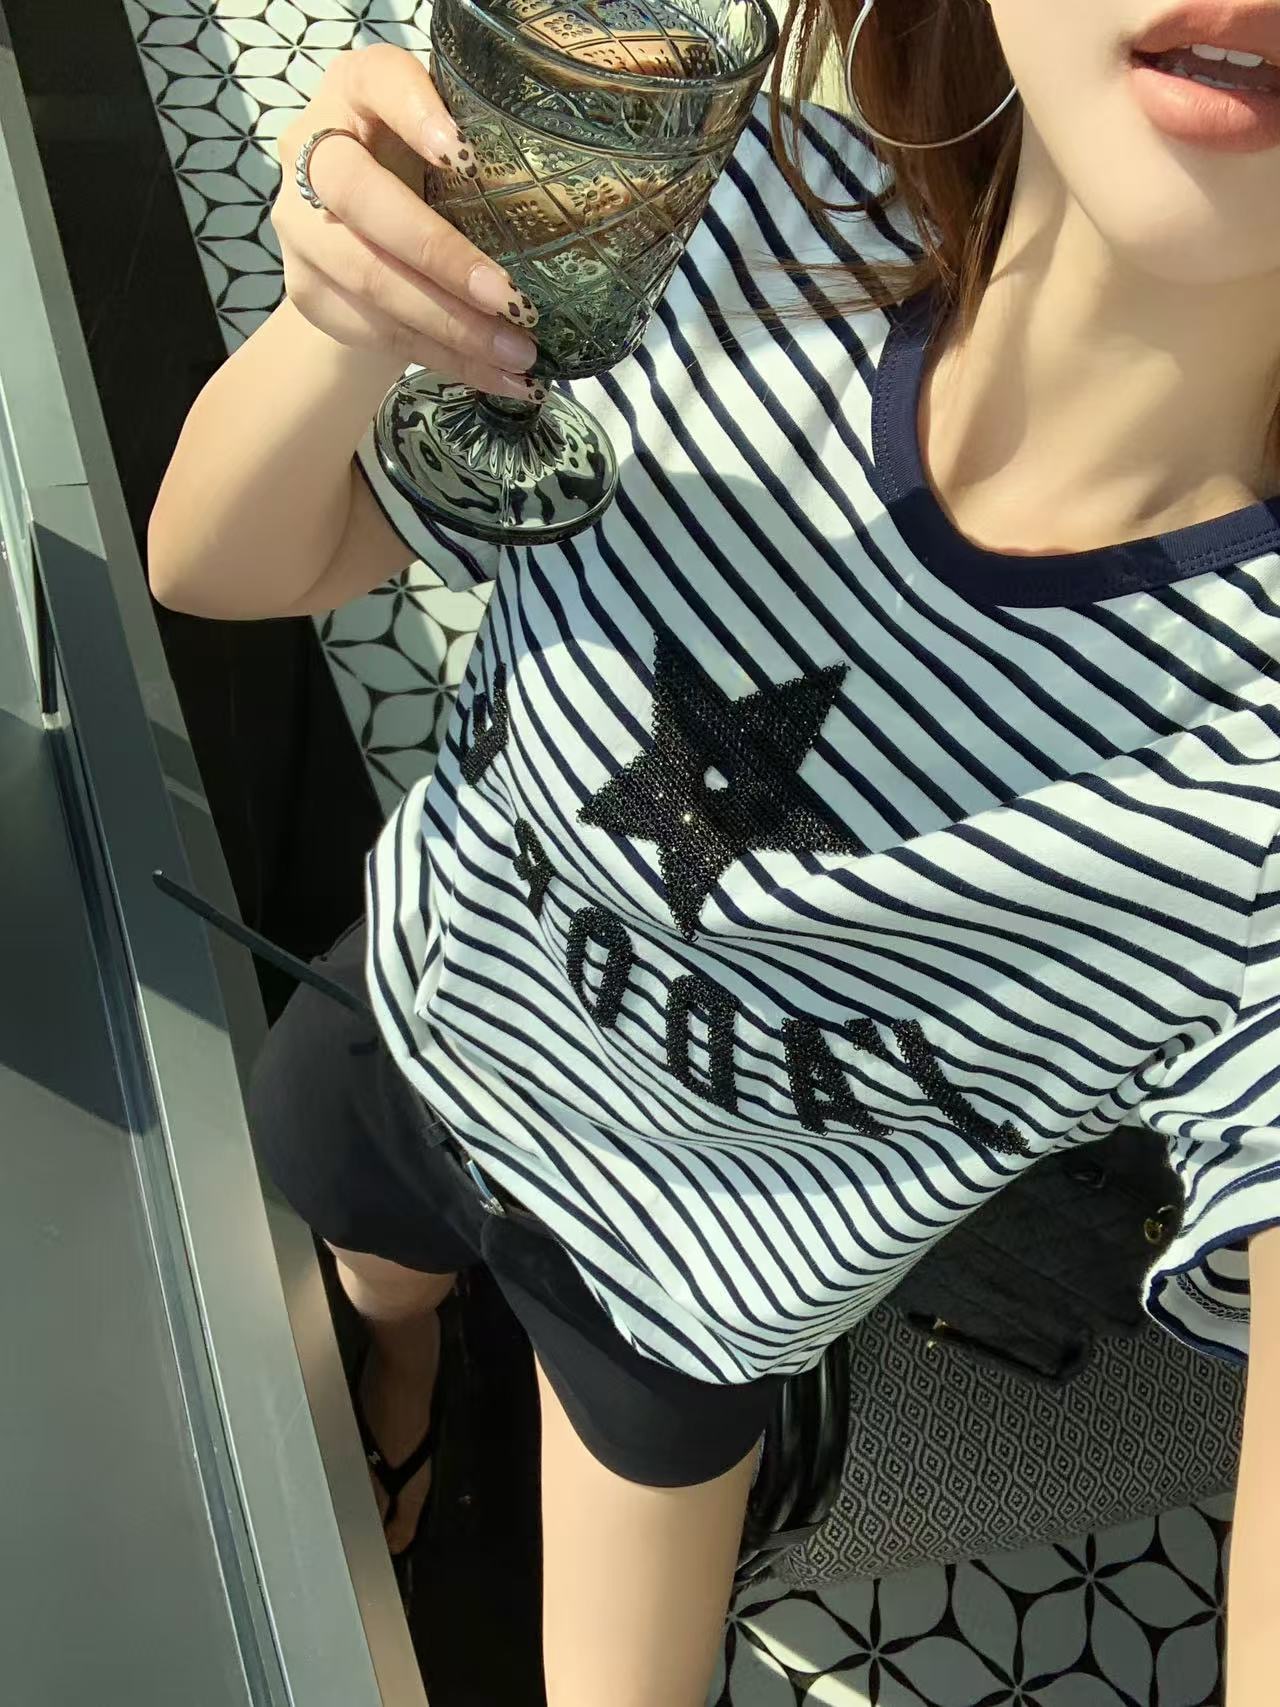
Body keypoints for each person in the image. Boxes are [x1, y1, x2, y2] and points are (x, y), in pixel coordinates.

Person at [148, 2, 1280, 1701]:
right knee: (370, 1291)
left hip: (682, 1302)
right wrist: (346, 321)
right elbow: (216, 564)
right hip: (415, 1028)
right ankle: (404, 1395)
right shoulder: (704, 224)